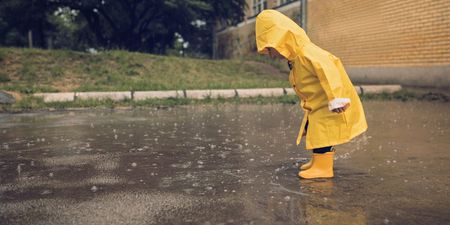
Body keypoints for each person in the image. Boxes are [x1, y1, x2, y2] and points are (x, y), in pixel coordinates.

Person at [255, 10, 368, 179]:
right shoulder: (296, 57)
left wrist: (336, 98)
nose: (271, 54)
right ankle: (318, 162)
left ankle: (324, 168)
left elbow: (329, 72)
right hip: (318, 104)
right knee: (315, 131)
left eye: (270, 48)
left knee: (323, 134)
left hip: (328, 103)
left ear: (281, 39)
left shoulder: (307, 53)